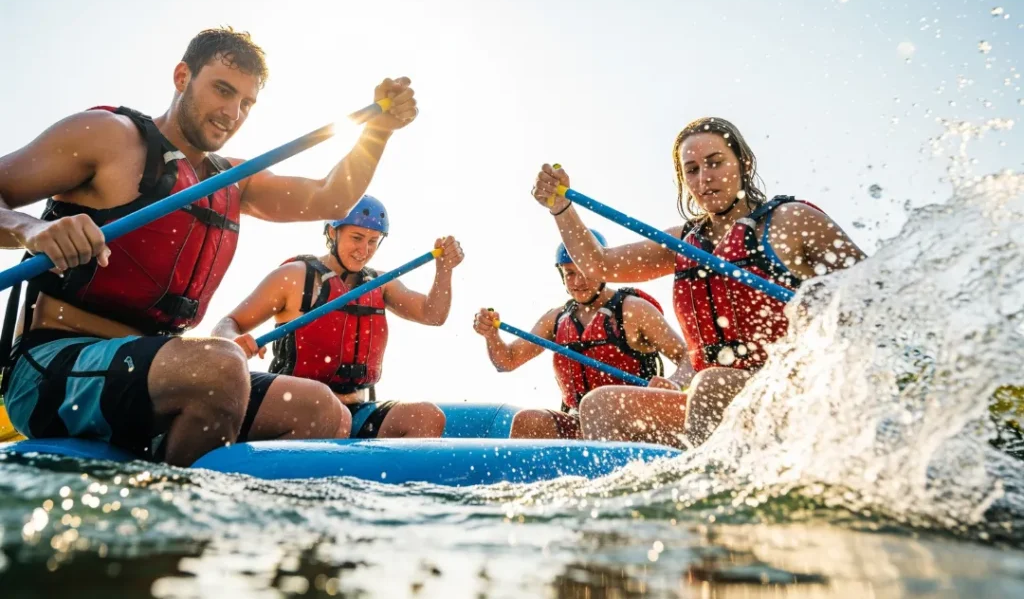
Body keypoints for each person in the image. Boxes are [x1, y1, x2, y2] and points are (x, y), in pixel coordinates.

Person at [0, 27, 419, 466]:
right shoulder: (107, 136)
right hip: (51, 366)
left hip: (161, 369)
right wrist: (29, 229)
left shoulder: (234, 180)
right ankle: (178, 522)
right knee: (218, 366)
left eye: (246, 103)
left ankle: (239, 525)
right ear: (182, 77)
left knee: (321, 410)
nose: (232, 112)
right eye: (222, 90)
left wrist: (379, 132)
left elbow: (330, 197)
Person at [531, 117, 866, 448]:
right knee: (602, 405)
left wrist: (829, 315)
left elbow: (873, 291)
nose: (705, 178)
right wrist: (562, 208)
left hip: (795, 394)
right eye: (692, 170)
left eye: (715, 163)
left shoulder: (790, 221)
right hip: (718, 398)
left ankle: (705, 492)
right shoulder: (681, 243)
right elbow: (600, 265)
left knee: (711, 386)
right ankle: (630, 498)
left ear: (743, 164)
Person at [212, 195, 462, 438]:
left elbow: (433, 315)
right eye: (356, 238)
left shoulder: (381, 283)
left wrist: (445, 269)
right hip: (293, 407)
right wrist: (234, 341)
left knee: (427, 417)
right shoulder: (295, 277)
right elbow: (227, 324)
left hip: (353, 410)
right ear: (332, 233)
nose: (364, 250)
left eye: (373, 241)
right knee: (333, 416)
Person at [472, 229, 692, 439]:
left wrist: (674, 383)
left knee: (599, 412)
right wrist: (491, 336)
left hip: (634, 421)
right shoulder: (556, 319)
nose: (578, 282)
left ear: (600, 267)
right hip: (581, 420)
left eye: (585, 271)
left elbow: (689, 357)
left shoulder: (633, 310)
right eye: (570, 273)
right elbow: (507, 361)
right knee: (528, 420)